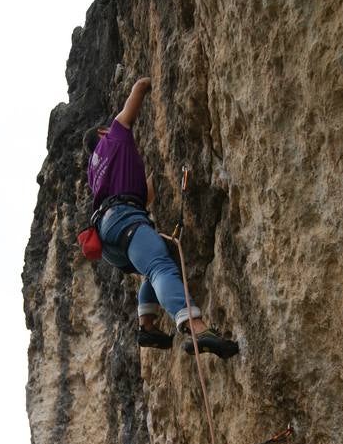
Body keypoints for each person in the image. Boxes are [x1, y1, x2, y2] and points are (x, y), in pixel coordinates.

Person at [84, 76, 239, 358]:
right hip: (125, 219)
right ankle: (196, 327)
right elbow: (135, 97)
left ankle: (147, 325)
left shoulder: (95, 171)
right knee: (160, 266)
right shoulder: (113, 138)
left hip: (109, 238)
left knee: (151, 265)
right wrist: (151, 82)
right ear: (104, 133)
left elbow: (142, 197)